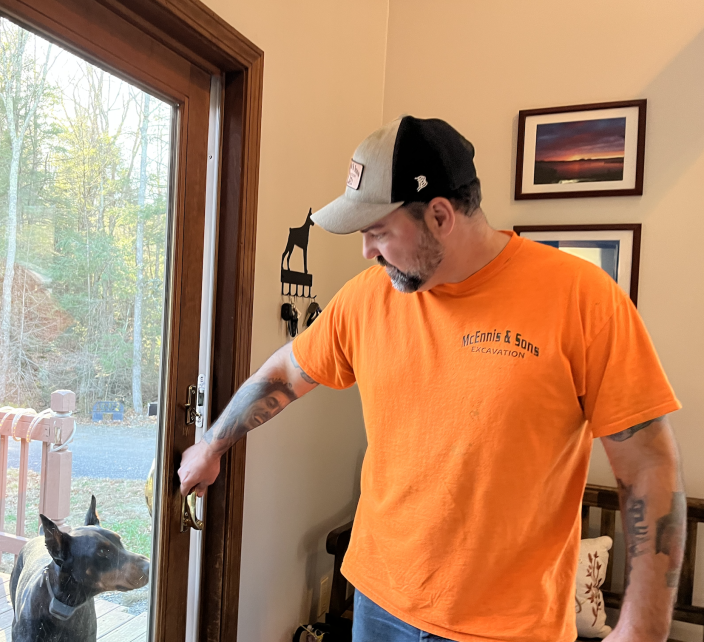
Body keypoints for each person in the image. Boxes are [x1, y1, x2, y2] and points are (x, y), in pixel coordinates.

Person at [178, 115, 685, 642]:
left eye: (378, 232)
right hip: (378, 604)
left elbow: (648, 461)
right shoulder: (365, 298)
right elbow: (285, 371)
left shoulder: (582, 298)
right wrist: (213, 444)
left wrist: (642, 628)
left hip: (510, 627)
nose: (367, 252)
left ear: (440, 215)